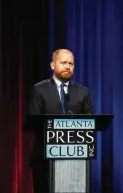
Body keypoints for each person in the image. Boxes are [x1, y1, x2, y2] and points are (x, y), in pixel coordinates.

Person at [27, 48, 95, 193]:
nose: (67, 66)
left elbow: (91, 122)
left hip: (75, 161)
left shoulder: (83, 92)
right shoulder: (39, 90)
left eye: (71, 63)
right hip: (45, 160)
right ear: (53, 65)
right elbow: (34, 120)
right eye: (63, 62)